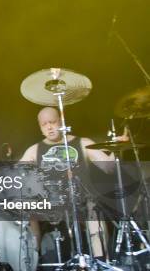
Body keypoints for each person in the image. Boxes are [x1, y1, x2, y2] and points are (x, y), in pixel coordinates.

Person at [19, 106, 121, 259]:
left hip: (82, 200)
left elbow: (108, 168)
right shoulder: (34, 150)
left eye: (52, 122)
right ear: (40, 128)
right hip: (50, 203)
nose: (49, 127)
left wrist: (117, 148)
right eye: (44, 124)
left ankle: (101, 263)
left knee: (94, 208)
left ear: (61, 122)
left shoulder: (83, 143)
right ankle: (34, 264)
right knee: (26, 209)